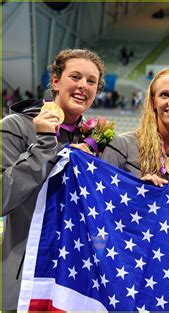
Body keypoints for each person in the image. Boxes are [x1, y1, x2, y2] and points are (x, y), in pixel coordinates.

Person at [1, 48, 105, 310]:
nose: (83, 86)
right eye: (76, 77)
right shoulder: (16, 126)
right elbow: (2, 198)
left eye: (91, 81)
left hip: (73, 286)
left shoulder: (96, 142)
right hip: (24, 282)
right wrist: (45, 145)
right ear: (56, 81)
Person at [101, 68, 169, 192]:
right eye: (164, 95)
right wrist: (137, 192)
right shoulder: (121, 146)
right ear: (153, 101)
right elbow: (101, 198)